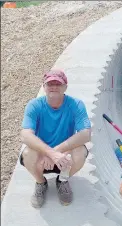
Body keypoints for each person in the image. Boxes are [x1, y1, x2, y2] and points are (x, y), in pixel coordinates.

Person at [20, 69, 91, 208]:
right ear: (44, 87)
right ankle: (41, 182)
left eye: (58, 84)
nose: (53, 87)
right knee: (28, 152)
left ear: (65, 87)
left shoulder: (76, 105)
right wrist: (50, 153)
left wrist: (56, 152)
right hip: (42, 160)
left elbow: (85, 134)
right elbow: (25, 135)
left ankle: (62, 180)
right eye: (50, 83)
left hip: (65, 159)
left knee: (81, 151)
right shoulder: (34, 105)